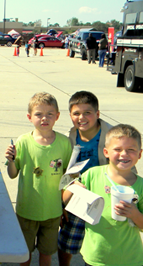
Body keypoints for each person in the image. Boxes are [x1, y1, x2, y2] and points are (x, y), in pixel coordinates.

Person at [63, 124, 143, 266]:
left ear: (139, 153)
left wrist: (134, 214)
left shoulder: (142, 186)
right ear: (106, 152)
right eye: (117, 149)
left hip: (130, 259)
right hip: (96, 257)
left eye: (131, 150)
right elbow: (66, 200)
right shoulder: (92, 175)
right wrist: (72, 188)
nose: (124, 154)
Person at [5, 92, 72, 266]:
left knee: (47, 253)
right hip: (27, 210)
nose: (44, 118)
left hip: (52, 212)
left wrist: (64, 205)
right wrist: (11, 161)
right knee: (24, 254)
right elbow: (12, 174)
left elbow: (68, 176)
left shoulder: (64, 143)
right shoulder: (23, 142)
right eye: (39, 114)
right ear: (29, 117)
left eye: (50, 114)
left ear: (57, 116)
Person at [57, 91, 112, 266]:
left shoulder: (112, 136)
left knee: (100, 242)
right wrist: (62, 202)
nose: (82, 117)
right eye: (76, 113)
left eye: (87, 112)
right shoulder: (70, 137)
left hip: (104, 195)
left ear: (97, 113)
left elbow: (127, 166)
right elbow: (65, 171)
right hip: (77, 195)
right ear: (70, 116)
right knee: (67, 242)